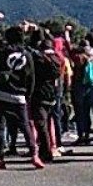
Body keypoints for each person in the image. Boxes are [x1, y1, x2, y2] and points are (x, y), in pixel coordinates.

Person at [0, 12, 41, 170]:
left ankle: (0, 157)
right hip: (20, 95)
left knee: (0, 126)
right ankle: (34, 154)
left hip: (1, 93)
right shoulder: (27, 55)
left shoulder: (2, 51)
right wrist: (28, 95)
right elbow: (31, 78)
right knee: (25, 126)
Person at [29, 29, 62, 162]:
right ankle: (51, 147)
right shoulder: (57, 60)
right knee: (49, 121)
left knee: (40, 123)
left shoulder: (40, 61)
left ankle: (46, 152)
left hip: (40, 93)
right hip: (52, 94)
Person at [70, 43, 93, 145]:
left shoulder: (80, 59)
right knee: (87, 112)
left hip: (80, 88)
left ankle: (81, 135)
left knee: (79, 113)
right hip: (91, 88)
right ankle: (87, 134)